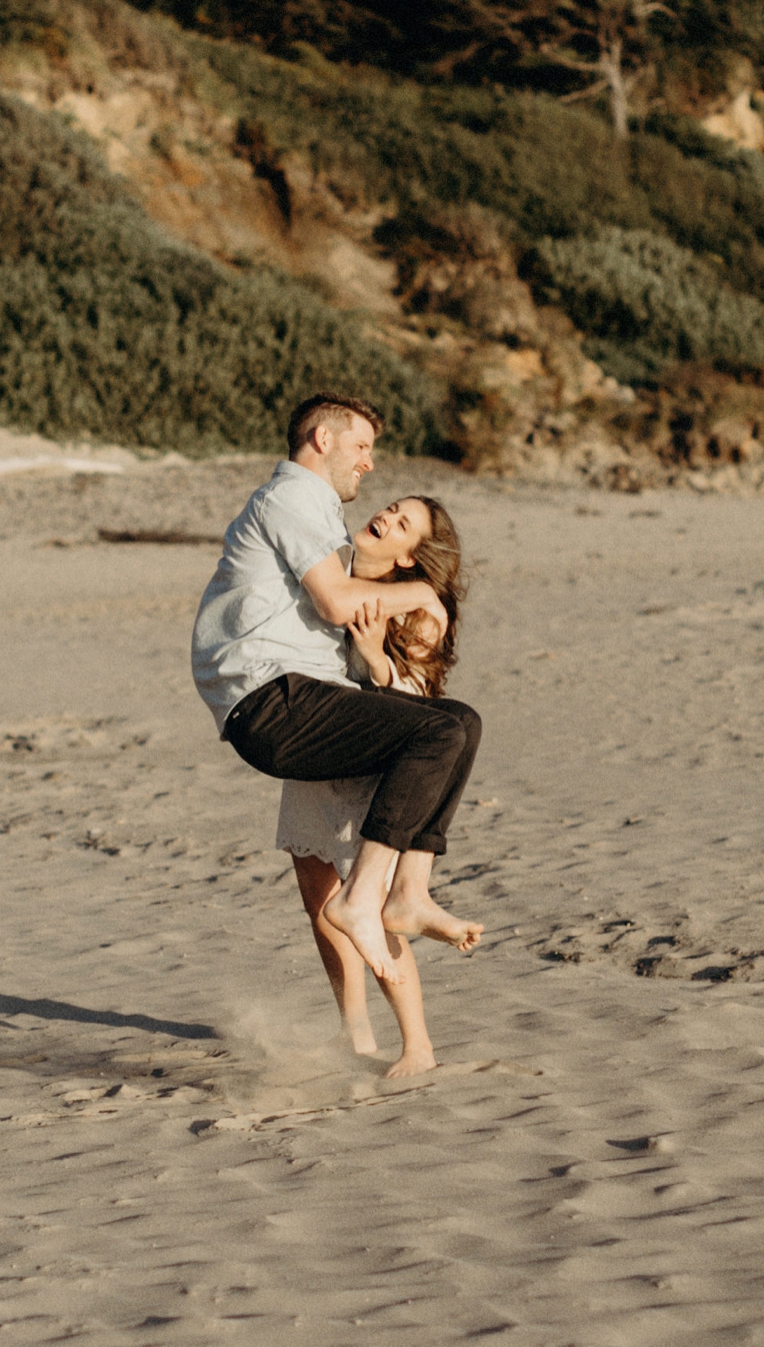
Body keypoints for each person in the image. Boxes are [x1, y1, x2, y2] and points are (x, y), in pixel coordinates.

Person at [192, 393, 484, 989]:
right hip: (271, 699)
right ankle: (365, 899)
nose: (369, 464)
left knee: (461, 723)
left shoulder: (321, 513)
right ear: (323, 440)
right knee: (437, 731)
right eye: (361, 446)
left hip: (299, 696)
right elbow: (335, 601)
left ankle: (407, 891)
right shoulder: (294, 497)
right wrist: (424, 595)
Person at [278, 494, 467, 1077]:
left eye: (402, 523)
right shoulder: (331, 572)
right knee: (320, 901)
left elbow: (419, 706)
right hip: (316, 753)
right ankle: (354, 1029)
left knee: (374, 905)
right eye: (391, 507)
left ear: (411, 557)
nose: (384, 516)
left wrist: (373, 657)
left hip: (375, 771)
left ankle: (418, 1044)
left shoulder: (420, 612)